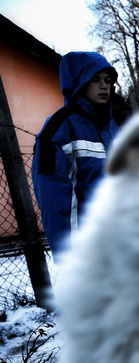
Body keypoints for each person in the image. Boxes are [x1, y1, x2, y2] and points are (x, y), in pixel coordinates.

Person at [31, 52, 120, 257]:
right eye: (95, 80)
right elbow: (56, 202)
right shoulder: (58, 130)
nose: (104, 86)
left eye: (107, 81)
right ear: (79, 83)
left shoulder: (111, 125)